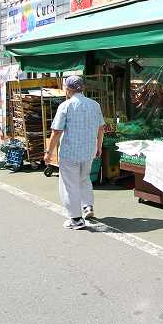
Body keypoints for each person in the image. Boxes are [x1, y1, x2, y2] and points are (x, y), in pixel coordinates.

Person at [45, 75, 105, 230]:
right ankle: (87, 207)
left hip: (70, 153)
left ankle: (76, 219)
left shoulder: (66, 106)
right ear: (82, 87)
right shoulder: (94, 105)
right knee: (84, 179)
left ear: (68, 89)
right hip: (89, 151)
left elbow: (56, 131)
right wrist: (99, 147)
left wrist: (48, 152)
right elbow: (101, 128)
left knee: (70, 185)